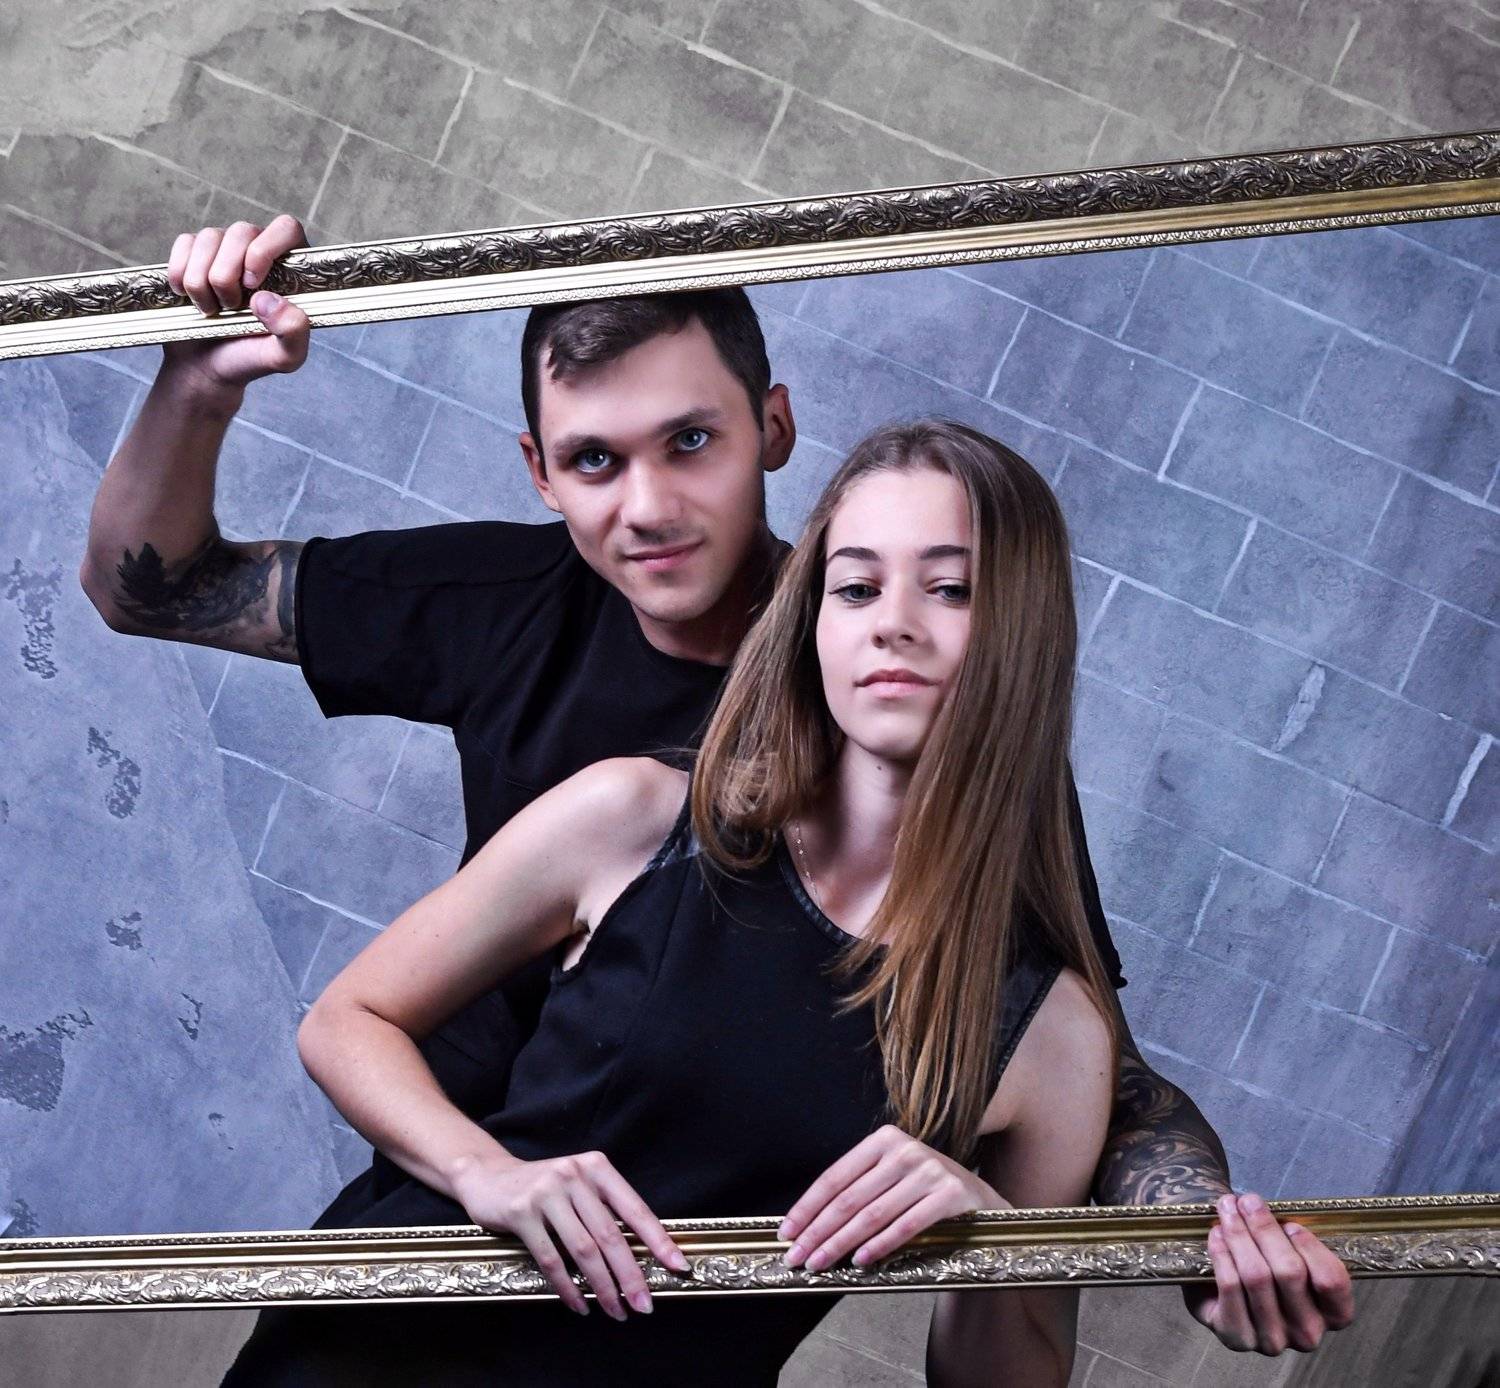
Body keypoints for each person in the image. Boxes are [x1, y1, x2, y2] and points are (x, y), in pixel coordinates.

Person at [80, 216, 1348, 1356]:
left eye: (691, 441)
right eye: (594, 460)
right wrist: (195, 382)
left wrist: (1204, 1239)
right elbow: (154, 588)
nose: (649, 506)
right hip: (447, 1233)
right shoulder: (535, 659)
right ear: (540, 470)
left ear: (772, 429)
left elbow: (1075, 1059)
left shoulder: (911, 688)